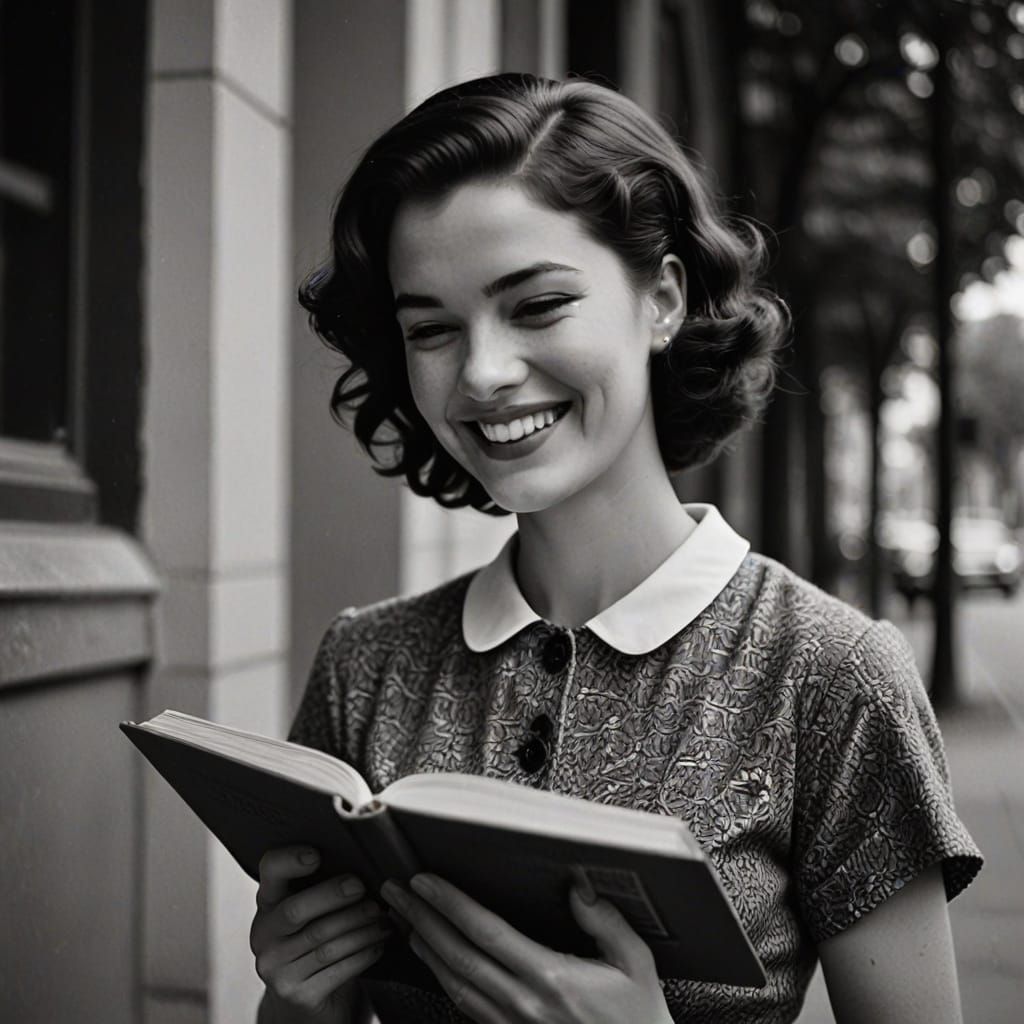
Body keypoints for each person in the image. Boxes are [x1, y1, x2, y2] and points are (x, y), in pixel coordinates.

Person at [249, 73, 982, 1024]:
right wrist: (301, 997)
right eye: (430, 328)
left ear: (662, 299)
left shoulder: (832, 679)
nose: (483, 373)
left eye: (538, 305)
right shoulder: (365, 666)